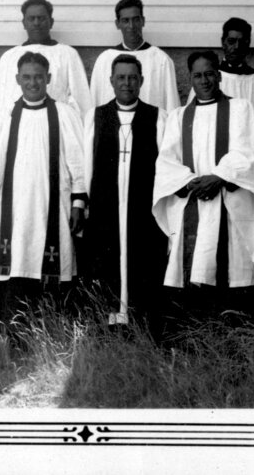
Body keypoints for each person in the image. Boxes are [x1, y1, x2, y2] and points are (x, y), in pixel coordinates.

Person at [152, 51, 254, 318]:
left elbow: (250, 152)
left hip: (230, 206)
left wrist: (219, 177)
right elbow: (167, 163)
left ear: (219, 75)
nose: (204, 80)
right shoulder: (178, 117)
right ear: (190, 79)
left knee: (233, 277)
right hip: (195, 205)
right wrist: (192, 182)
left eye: (209, 74)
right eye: (198, 75)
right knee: (197, 279)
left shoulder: (241, 109)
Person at [0, 52, 87, 321]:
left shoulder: (65, 114)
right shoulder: (5, 115)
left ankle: (52, 331)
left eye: (38, 77)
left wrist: (77, 203)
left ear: (48, 78)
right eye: (26, 77)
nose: (32, 83)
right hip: (13, 211)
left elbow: (78, 163)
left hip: (54, 206)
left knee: (52, 263)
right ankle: (13, 332)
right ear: (17, 79)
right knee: (15, 262)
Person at [83, 54, 168, 330]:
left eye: (133, 77)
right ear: (111, 81)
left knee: (143, 263)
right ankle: (108, 325)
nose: (127, 83)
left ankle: (141, 325)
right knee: (106, 263)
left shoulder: (158, 118)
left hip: (142, 211)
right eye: (121, 77)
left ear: (141, 81)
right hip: (106, 209)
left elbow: (165, 169)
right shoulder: (96, 117)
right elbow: (87, 167)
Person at [0, 0, 92, 127]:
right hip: (17, 126)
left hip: (56, 125)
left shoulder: (67, 54)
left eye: (41, 18)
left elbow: (81, 100)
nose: (36, 23)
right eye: (31, 19)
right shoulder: (9, 57)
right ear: (24, 23)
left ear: (51, 22)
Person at [88, 0, 180, 112]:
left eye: (135, 19)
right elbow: (94, 105)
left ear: (143, 21)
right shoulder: (105, 59)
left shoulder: (161, 59)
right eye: (125, 20)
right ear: (117, 24)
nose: (131, 26)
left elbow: (172, 106)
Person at [187, 17, 254, 107]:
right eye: (231, 41)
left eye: (242, 42)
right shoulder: (209, 78)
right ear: (223, 43)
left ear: (248, 44)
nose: (236, 47)